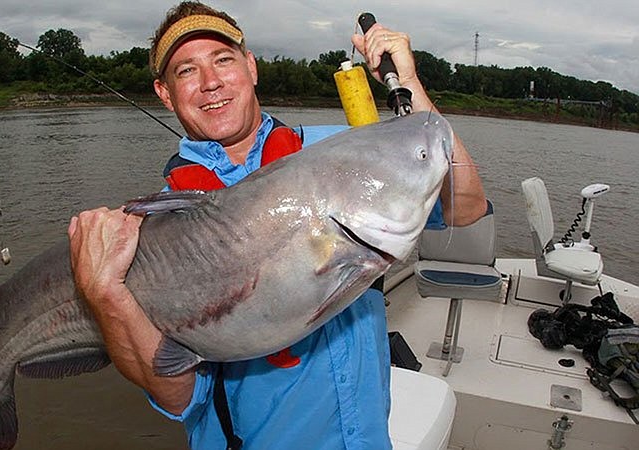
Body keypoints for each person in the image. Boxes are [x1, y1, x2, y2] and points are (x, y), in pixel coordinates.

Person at [67, 2, 487, 449]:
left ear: (251, 67)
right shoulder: (158, 233)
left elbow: (466, 205)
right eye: (187, 71)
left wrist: (409, 81)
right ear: (165, 93)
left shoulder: (338, 150)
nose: (211, 82)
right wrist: (105, 294)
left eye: (224, 60)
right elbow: (177, 397)